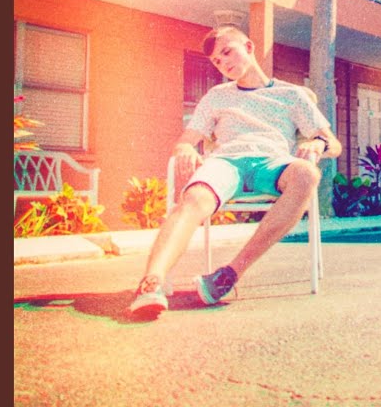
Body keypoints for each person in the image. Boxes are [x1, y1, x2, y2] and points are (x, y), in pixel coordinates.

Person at [128, 25, 341, 319]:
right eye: (217, 61)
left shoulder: (292, 95)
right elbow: (186, 141)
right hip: (226, 163)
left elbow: (333, 144)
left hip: (272, 164)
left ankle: (229, 274)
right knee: (194, 198)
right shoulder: (216, 96)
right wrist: (186, 149)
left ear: (249, 47)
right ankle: (151, 283)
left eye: (228, 52)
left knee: (307, 174)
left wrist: (318, 144)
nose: (224, 63)